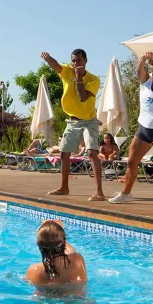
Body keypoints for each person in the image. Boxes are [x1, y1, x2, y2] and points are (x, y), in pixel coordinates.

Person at [109, 48, 153, 211]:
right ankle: (126, 194)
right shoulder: (145, 80)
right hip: (144, 128)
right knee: (132, 161)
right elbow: (138, 69)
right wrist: (142, 58)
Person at [40, 50, 103, 199]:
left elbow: (82, 97)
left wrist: (79, 78)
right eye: (73, 61)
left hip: (89, 121)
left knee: (92, 153)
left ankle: (99, 192)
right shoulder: (67, 71)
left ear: (86, 61)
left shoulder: (94, 80)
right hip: (72, 120)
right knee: (64, 153)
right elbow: (57, 67)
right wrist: (49, 59)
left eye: (79, 60)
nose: (76, 64)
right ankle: (64, 187)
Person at [25, 220, 87, 295]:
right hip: (77, 299)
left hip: (45, 301)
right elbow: (70, 252)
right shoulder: (77, 259)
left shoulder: (34, 270)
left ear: (39, 246)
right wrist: (57, 232)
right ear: (63, 241)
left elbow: (28, 282)